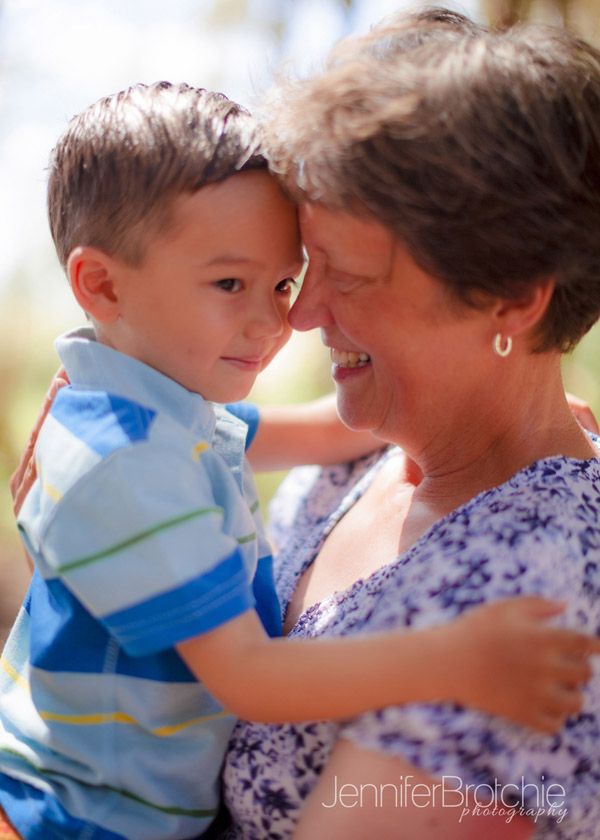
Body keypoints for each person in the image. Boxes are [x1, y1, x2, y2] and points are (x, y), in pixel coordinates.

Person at [2, 80, 590, 840]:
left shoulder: (166, 412)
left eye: (287, 280)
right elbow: (248, 677)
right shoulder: (127, 460)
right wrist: (456, 659)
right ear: (102, 284)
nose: (282, 319)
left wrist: (516, 414)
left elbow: (322, 430)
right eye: (229, 283)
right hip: (80, 822)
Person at [211, 9, 600, 840]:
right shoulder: (362, 452)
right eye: (307, 265)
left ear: (512, 294)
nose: (304, 312)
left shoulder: (534, 583)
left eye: (348, 275)